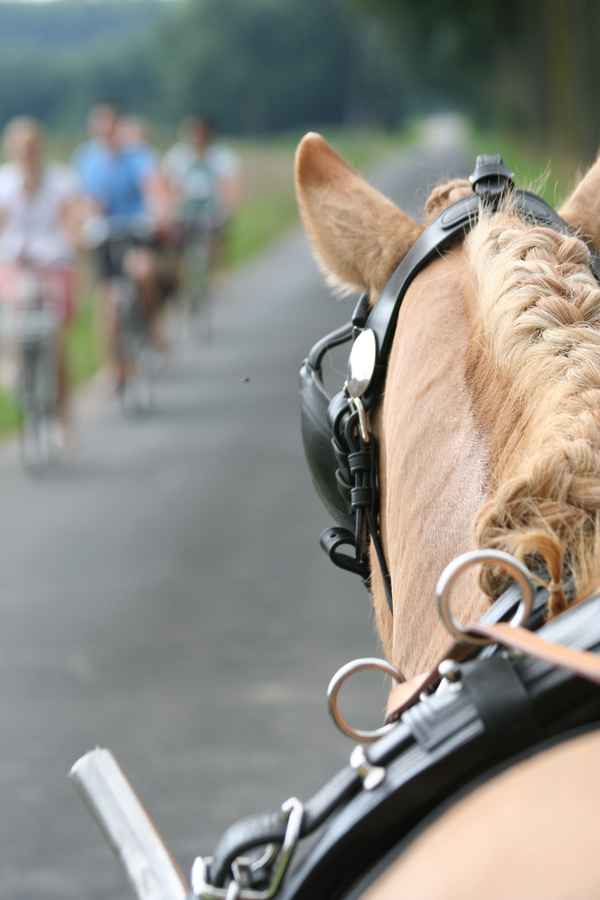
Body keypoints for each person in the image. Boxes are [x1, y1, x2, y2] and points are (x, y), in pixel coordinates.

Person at [74, 104, 174, 392]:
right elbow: (82, 199)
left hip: (135, 230)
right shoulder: (87, 160)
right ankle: (111, 366)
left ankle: (153, 329)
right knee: (107, 301)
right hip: (105, 234)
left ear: (118, 129)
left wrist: (159, 213)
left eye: (109, 129)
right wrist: (86, 220)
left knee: (143, 272)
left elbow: (153, 188)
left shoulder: (138, 156)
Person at [0, 116, 82, 443]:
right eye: (21, 148)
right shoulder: (4, 182)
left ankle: (62, 415)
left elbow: (71, 221)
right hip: (14, 266)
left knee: (55, 340)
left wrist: (73, 241)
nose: (27, 154)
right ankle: (18, 376)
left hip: (52, 265)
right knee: (9, 329)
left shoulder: (59, 180)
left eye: (32, 147)